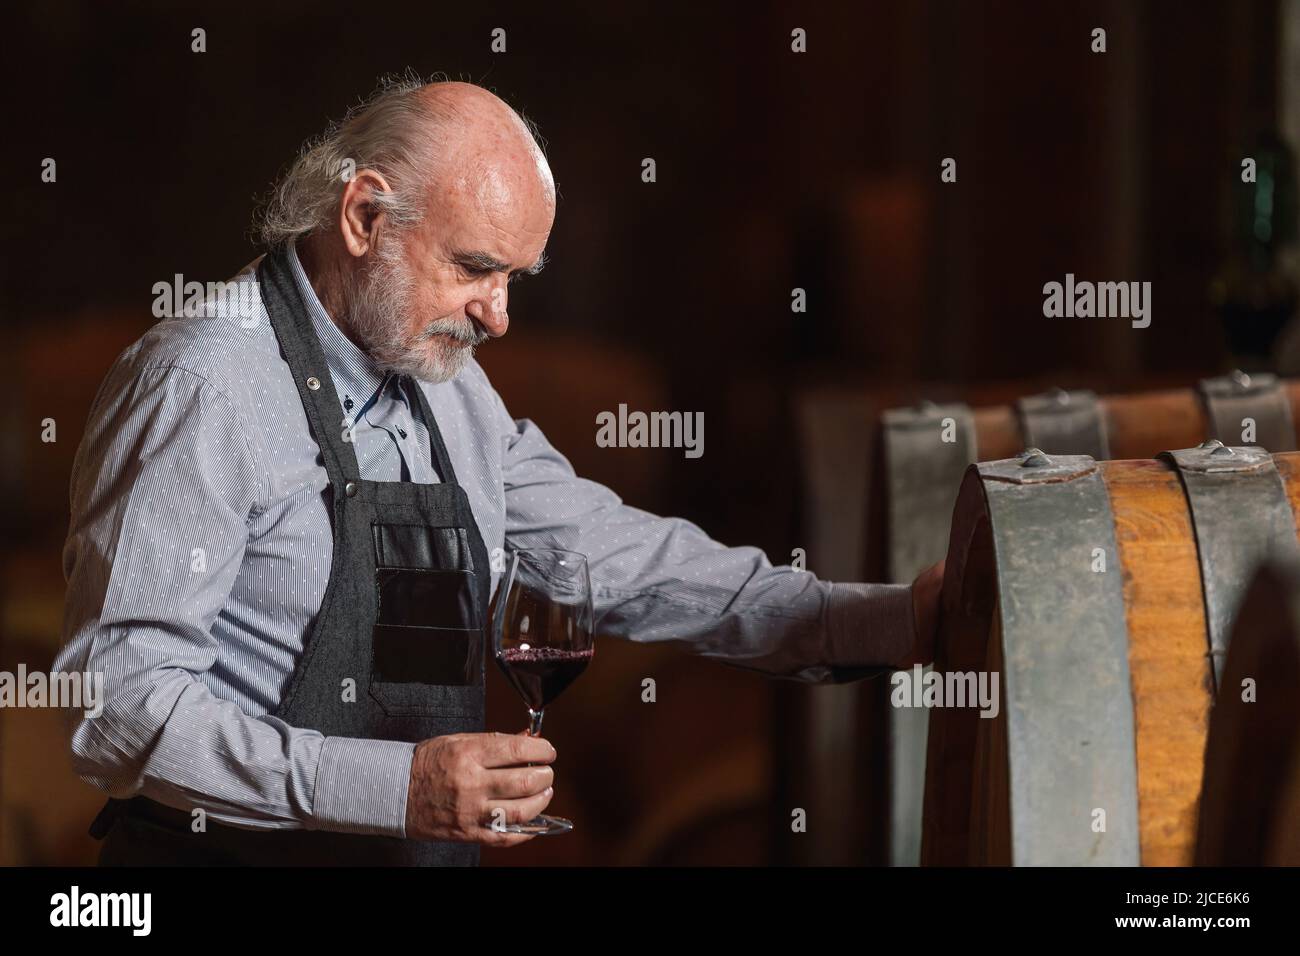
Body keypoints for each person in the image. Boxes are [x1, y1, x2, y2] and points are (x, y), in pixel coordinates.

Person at [54, 75, 944, 866]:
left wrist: (884, 621)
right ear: (364, 216)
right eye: (476, 268)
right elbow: (117, 705)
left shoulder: (445, 383)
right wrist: (396, 790)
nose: (501, 317)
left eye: (518, 276)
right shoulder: (202, 383)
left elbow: (622, 556)